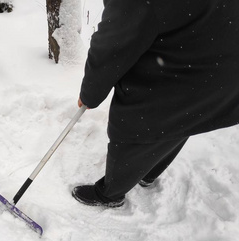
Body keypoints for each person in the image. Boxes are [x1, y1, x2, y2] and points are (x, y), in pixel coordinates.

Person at [72, 0, 239, 207]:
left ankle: (110, 193)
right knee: (184, 120)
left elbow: (111, 47)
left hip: (191, 70)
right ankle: (148, 173)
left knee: (135, 126)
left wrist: (91, 93)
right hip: (221, 66)